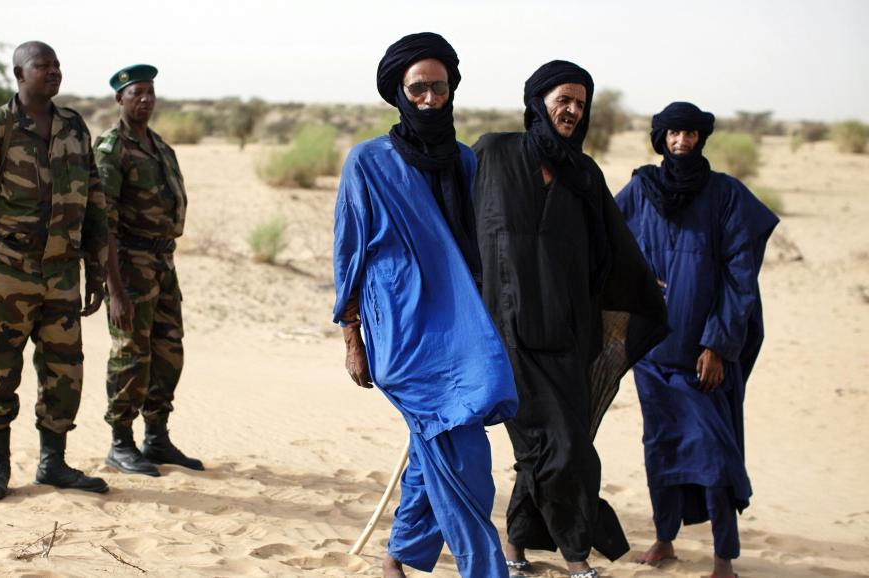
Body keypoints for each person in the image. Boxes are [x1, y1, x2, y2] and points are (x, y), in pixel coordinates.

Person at [333, 32, 519, 578]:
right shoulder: (366, 162)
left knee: (436, 445)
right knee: (467, 462)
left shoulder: (465, 161)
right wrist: (352, 340)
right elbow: (348, 256)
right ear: (398, 92)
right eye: (418, 89)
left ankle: (398, 556)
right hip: (401, 332)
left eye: (439, 87)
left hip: (463, 330)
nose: (430, 99)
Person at [472, 61, 668, 577]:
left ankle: (514, 552)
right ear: (539, 100)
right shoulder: (493, 153)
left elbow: (610, 254)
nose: (573, 110)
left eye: (581, 104)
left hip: (567, 339)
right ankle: (578, 555)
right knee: (561, 449)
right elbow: (458, 231)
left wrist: (642, 286)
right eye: (565, 99)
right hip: (507, 338)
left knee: (549, 449)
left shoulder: (585, 177)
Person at [0, 41, 110, 500]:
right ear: (18, 73)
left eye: (57, 64)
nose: (53, 71)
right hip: (7, 270)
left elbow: (92, 199)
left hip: (63, 273)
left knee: (64, 371)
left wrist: (97, 267)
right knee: (0, 367)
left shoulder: (74, 126)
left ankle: (53, 464)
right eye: (42, 65)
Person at [615, 102, 778, 578]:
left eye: (689, 134)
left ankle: (723, 557)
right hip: (652, 352)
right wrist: (641, 281)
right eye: (673, 134)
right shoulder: (642, 190)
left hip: (702, 355)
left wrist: (718, 346)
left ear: (700, 138)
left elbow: (739, 276)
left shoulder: (725, 193)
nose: (682, 142)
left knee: (715, 454)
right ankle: (665, 539)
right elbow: (608, 241)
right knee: (660, 446)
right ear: (661, 138)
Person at [93, 64, 202, 476]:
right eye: (136, 93)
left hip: (162, 262)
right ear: (120, 99)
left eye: (150, 92)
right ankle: (120, 442)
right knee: (130, 355)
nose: (145, 99)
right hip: (128, 264)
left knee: (168, 350)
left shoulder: (159, 147)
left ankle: (156, 437)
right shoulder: (111, 149)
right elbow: (104, 224)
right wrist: (115, 289)